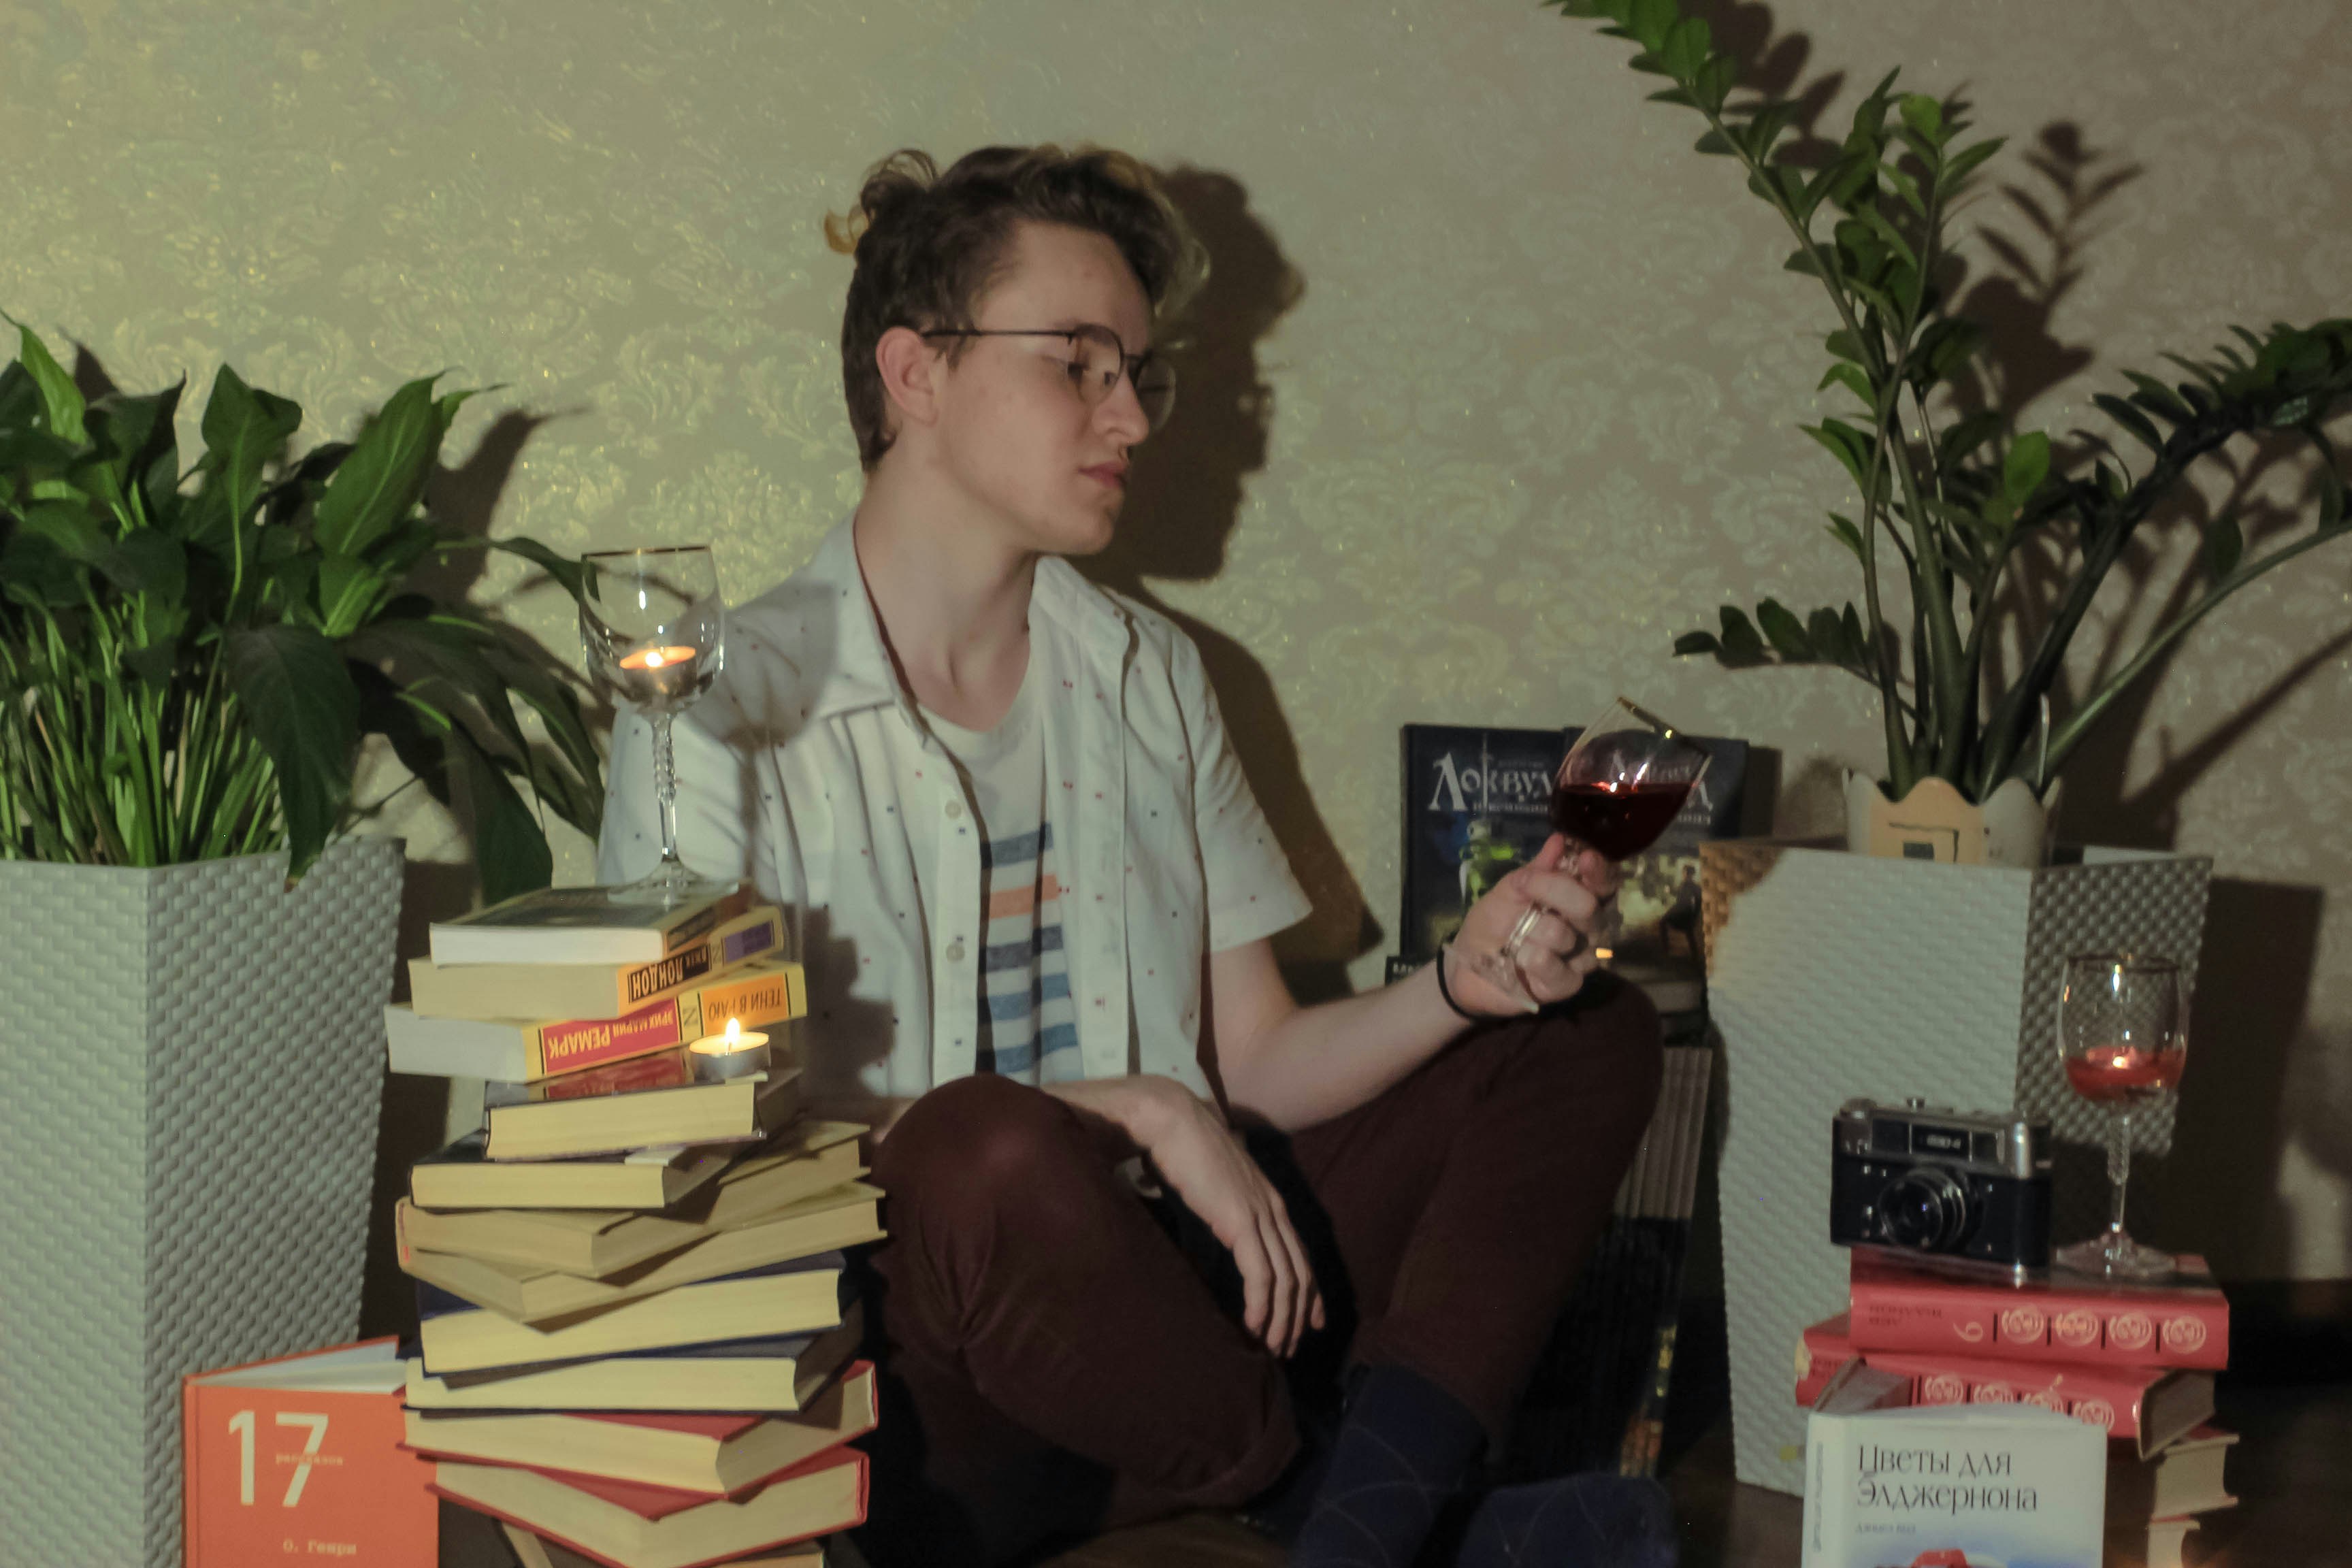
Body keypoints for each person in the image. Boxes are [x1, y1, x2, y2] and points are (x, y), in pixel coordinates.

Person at [596, 144, 1675, 1568]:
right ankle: (1358, 1505)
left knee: (1581, 1030)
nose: (1130, 418)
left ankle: (1359, 1526)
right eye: (1077, 365)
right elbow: (695, 1135)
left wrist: (1459, 988)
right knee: (981, 1145)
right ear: (915, 374)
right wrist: (1142, 1110)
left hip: (1188, 1306)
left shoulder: (1150, 673)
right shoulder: (714, 711)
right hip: (933, 1380)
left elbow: (1260, 1059)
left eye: (1137, 375)